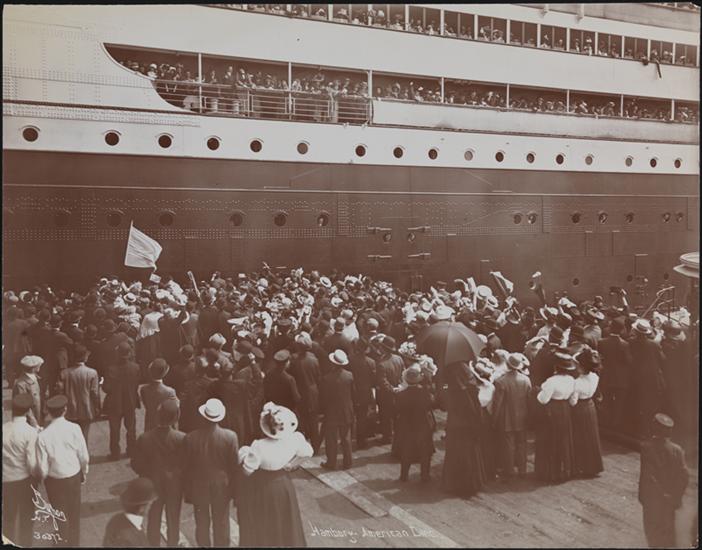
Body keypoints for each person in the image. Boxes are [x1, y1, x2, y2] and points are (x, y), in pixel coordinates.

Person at [237, 402, 313, 547]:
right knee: (286, 523)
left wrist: (244, 455)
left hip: (264, 486)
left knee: (265, 524)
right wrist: (292, 464)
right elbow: (308, 452)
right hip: (284, 484)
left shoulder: (258, 445)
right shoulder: (294, 438)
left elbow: (247, 471)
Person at [182, 398, 239, 547]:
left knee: (201, 523)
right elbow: (234, 467)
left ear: (203, 416)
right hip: (222, 486)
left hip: (199, 485)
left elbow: (186, 468)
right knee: (222, 522)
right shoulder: (230, 437)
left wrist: (188, 491)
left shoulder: (190, 438)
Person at [35, 394, 90, 547]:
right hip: (73, 476)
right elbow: (84, 456)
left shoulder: (42, 436)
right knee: (74, 514)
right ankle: (74, 544)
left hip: (54, 481)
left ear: (48, 412)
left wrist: (43, 479)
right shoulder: (74, 428)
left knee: (59, 516)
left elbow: (42, 467)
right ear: (65, 410)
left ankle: (61, 543)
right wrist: (84, 472)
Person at [131, 399, 185, 547]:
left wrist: (146, 474)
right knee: (173, 519)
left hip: (152, 485)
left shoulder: (144, 438)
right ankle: (173, 544)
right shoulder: (181, 438)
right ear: (176, 417)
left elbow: (135, 464)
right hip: (174, 486)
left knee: (153, 519)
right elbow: (186, 464)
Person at [638, 413, 689, 548]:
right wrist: (675, 496)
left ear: (654, 428)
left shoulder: (647, 448)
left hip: (653, 501)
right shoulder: (678, 450)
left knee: (653, 535)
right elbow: (684, 476)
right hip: (670, 502)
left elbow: (648, 477)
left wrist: (646, 496)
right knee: (667, 535)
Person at [441, 361, 486, 498]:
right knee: (470, 454)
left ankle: (454, 483)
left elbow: (445, 405)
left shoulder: (453, 390)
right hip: (469, 426)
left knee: (456, 454)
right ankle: (471, 483)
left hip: (456, 425)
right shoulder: (472, 390)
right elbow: (476, 410)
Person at [2, 393, 39, 547]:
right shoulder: (30, 432)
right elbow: (32, 463)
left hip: (6, 480)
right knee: (27, 518)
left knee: (8, 519)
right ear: (28, 411)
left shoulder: (4, 429)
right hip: (25, 481)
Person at [536, 349, 577, 483]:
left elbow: (543, 400)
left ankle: (550, 471)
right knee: (563, 440)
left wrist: (539, 391)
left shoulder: (551, 381)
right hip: (565, 410)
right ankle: (564, 470)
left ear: (555, 367)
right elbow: (573, 401)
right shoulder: (572, 380)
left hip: (552, 410)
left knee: (550, 439)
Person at [491, 353, 532, 478]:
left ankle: (508, 471)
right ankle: (522, 470)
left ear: (508, 365)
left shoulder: (501, 381)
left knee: (508, 445)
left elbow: (497, 403)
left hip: (507, 417)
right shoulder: (526, 380)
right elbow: (529, 399)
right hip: (522, 416)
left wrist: (494, 419)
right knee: (521, 443)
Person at [395, 365, 435, 482]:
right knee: (425, 452)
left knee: (406, 451)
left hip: (407, 426)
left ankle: (404, 475)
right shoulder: (425, 393)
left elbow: (396, 410)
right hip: (423, 425)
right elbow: (432, 404)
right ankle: (425, 475)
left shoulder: (400, 395)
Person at [102, 341, 141, 459]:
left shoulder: (110, 369)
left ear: (118, 353)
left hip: (115, 403)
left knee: (114, 429)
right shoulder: (135, 367)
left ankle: (115, 453)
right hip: (130, 401)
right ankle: (131, 450)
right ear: (129, 353)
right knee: (131, 428)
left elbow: (106, 388)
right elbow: (137, 384)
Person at [569, 347, 604, 477]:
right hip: (590, 406)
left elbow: (573, 401)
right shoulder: (595, 377)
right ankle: (593, 466)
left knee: (579, 437)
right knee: (591, 436)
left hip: (579, 409)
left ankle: (581, 466)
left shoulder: (576, 382)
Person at [629, 319, 666, 438]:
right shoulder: (654, 345)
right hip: (653, 379)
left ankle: (640, 429)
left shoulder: (631, 343)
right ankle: (649, 429)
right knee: (651, 405)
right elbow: (663, 359)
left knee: (639, 403)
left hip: (637, 378)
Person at [319, 350, 356, 470]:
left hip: (332, 412)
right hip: (346, 411)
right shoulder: (349, 376)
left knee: (331, 439)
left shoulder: (326, 378)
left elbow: (323, 398)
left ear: (332, 363)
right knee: (346, 438)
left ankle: (331, 462)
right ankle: (348, 462)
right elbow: (353, 393)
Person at [60, 343, 100, 445]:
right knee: (84, 437)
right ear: (85, 357)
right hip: (86, 409)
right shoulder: (92, 373)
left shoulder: (64, 373)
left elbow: (60, 392)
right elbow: (94, 393)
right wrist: (97, 407)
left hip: (70, 410)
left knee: (71, 438)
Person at [289, 332, 321, 452]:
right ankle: (315, 445)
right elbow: (318, 377)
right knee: (313, 420)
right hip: (313, 392)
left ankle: (303, 446)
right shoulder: (314, 359)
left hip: (300, 391)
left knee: (302, 419)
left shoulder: (294, 360)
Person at [102, 477, 156, 547]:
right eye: (150, 504)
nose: (150, 507)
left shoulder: (115, 519)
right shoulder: (132, 539)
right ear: (142, 508)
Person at [375, 335, 403, 446]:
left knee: (386, 416)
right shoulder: (399, 359)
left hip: (386, 395)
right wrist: (399, 387)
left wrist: (392, 389)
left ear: (383, 348)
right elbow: (403, 374)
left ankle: (387, 437)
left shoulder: (381, 364)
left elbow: (383, 382)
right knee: (396, 415)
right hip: (398, 391)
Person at [348, 338, 376, 449]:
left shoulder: (350, 359)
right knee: (362, 417)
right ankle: (361, 441)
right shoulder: (371, 362)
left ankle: (348, 438)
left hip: (352, 392)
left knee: (350, 416)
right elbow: (373, 379)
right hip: (365, 393)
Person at [139, 358, 177, 433]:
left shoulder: (143, 389)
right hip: (165, 425)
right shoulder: (170, 391)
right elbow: (173, 409)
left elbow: (146, 404)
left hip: (150, 423)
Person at [263, 349, 301, 413]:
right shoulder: (290, 379)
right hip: (286, 410)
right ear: (285, 363)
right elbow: (297, 398)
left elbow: (265, 391)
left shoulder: (268, 374)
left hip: (272, 409)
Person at [13, 355, 44, 428]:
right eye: (39, 365)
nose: (40, 366)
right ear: (33, 368)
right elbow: (24, 406)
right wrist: (34, 423)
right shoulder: (21, 384)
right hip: (29, 422)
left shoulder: (35, 378)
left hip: (37, 417)